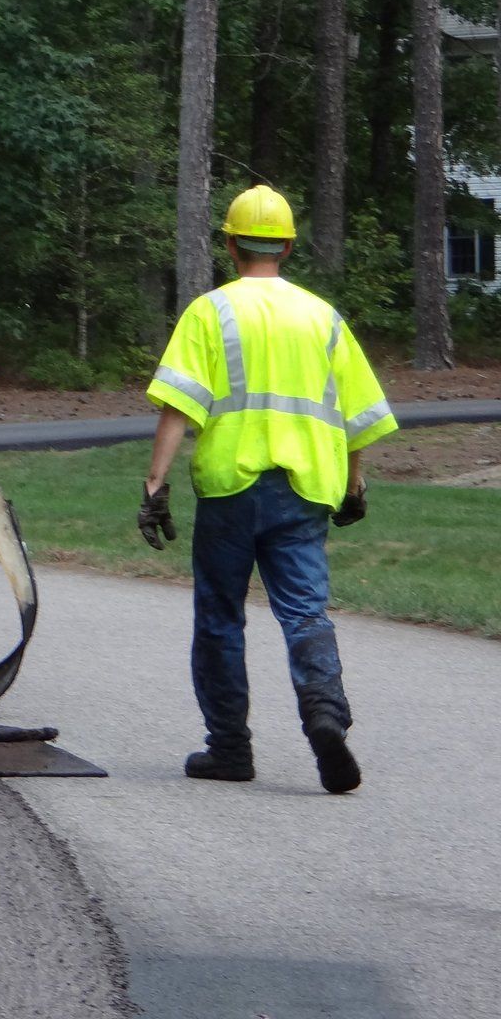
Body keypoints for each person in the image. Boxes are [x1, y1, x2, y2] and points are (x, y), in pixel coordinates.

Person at [139, 185, 397, 794]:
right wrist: (354, 483)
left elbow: (178, 407)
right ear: (287, 247)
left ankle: (230, 749)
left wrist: (154, 486)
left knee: (220, 618)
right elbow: (358, 413)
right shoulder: (322, 318)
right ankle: (325, 714)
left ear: (230, 246)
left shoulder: (210, 312)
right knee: (305, 612)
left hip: (229, 489)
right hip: (304, 491)